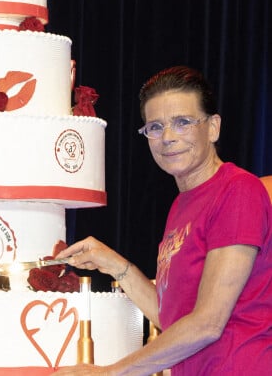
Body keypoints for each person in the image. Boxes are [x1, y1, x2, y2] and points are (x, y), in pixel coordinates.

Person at [54, 65, 271, 375]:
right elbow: (169, 317)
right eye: (155, 127)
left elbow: (208, 323)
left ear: (213, 127)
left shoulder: (237, 190)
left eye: (182, 122)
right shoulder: (183, 204)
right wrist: (113, 263)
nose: (167, 137)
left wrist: (109, 373)